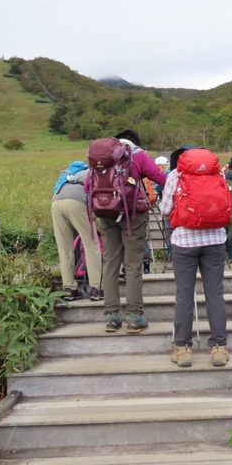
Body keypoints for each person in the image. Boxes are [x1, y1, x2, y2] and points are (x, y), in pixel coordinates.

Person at [160, 145, 229, 368]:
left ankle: (182, 349)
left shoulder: (175, 175)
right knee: (215, 294)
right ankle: (219, 348)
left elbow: (164, 208)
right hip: (216, 240)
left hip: (185, 241)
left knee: (184, 295)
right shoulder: (218, 174)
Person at [97, 129, 167, 333]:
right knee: (133, 264)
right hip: (132, 215)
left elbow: (88, 187)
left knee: (110, 261)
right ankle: (134, 316)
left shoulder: (101, 156)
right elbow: (161, 178)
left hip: (106, 213)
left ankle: (111, 316)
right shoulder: (137, 154)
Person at [51, 160, 102, 300]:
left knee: (64, 248)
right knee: (91, 244)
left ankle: (69, 288)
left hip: (56, 201)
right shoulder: (95, 173)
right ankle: (96, 288)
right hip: (77, 201)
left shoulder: (70, 175)